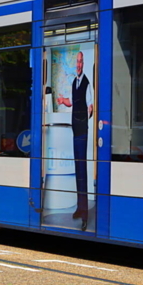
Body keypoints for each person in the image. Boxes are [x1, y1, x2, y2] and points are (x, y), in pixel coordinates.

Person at [56, 51, 93, 228]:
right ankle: (80, 207)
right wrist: (63, 101)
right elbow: (74, 101)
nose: (78, 65)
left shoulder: (87, 83)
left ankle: (84, 213)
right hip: (75, 130)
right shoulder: (74, 82)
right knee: (78, 170)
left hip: (81, 131)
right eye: (76, 62)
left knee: (82, 170)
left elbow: (89, 104)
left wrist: (87, 113)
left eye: (80, 62)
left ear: (83, 63)